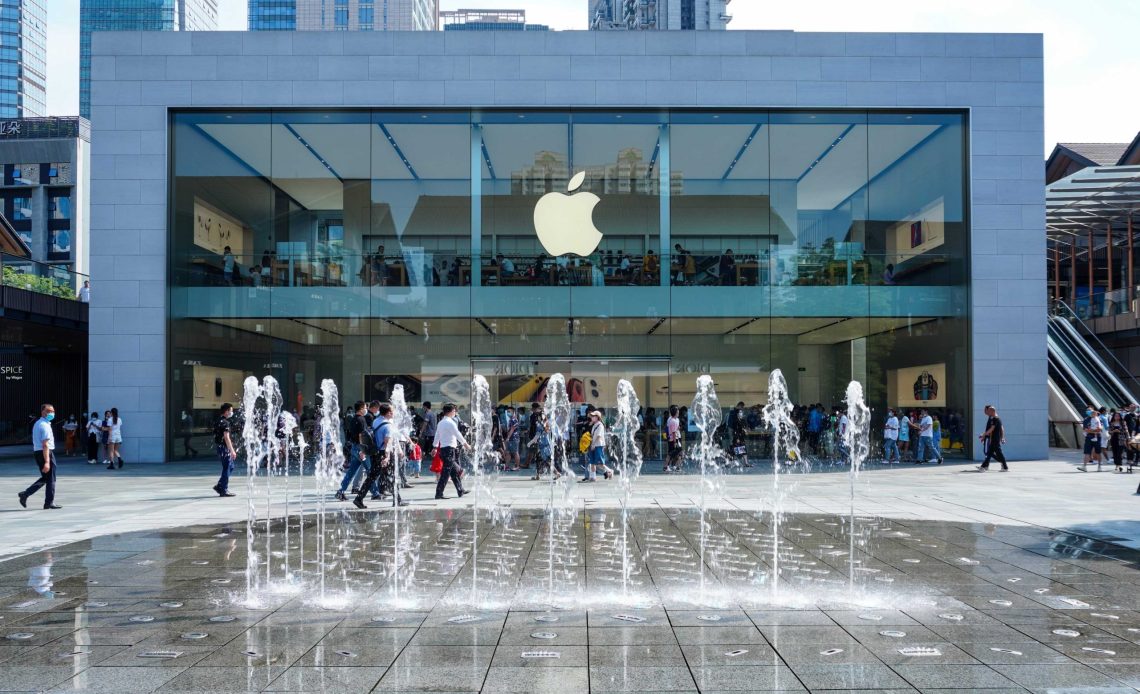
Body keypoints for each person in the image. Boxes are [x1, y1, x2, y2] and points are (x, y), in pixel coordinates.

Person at [18, 404, 61, 510]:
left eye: (53, 411)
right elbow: (45, 444)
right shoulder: (44, 425)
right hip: (45, 452)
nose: (51, 413)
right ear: (42, 412)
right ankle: (49, 502)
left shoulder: (38, 423)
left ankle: (25, 494)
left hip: (38, 452)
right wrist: (47, 461)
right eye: (49, 411)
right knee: (51, 479)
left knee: (46, 478)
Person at [336, 402, 379, 502]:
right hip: (360, 449)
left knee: (351, 472)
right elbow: (361, 435)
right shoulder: (361, 419)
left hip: (354, 448)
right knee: (370, 471)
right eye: (365, 407)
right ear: (360, 409)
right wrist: (363, 450)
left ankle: (340, 491)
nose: (366, 409)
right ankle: (375, 493)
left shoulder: (353, 419)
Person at [433, 404, 469, 499]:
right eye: (454, 411)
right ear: (449, 412)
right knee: (446, 473)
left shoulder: (441, 423)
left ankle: (460, 490)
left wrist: (435, 447)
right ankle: (439, 493)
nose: (455, 413)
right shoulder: (450, 422)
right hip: (449, 450)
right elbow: (458, 434)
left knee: (453, 473)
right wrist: (466, 444)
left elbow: (437, 435)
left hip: (444, 450)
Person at [212, 403, 237, 497]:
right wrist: (232, 450)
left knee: (230, 466)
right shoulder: (225, 423)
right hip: (224, 448)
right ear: (226, 411)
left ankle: (220, 485)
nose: (232, 412)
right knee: (227, 467)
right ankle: (223, 489)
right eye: (231, 411)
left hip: (219, 447)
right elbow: (226, 438)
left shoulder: (218, 420)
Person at [976, 404, 1008, 471]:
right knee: (991, 453)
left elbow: (992, 429)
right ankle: (985, 467)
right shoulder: (995, 418)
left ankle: (983, 467)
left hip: (995, 439)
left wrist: (984, 434)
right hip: (993, 439)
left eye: (989, 411)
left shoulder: (995, 419)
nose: (988, 412)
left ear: (992, 411)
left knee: (993, 453)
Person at [584, 409, 613, 482]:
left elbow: (598, 436)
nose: (592, 417)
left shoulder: (600, 425)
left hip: (598, 445)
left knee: (599, 463)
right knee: (592, 462)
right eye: (592, 416)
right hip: (593, 445)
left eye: (593, 416)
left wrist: (593, 444)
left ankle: (609, 471)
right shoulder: (594, 425)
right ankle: (593, 477)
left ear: (597, 417)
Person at [416, 401, 437, 479]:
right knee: (432, 449)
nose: (422, 408)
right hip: (433, 434)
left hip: (428, 434)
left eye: (423, 407)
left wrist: (421, 432)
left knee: (424, 449)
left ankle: (419, 465)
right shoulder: (433, 413)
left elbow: (425, 424)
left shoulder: (427, 414)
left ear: (425, 407)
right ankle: (434, 464)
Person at [729, 401, 752, 468]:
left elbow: (745, 427)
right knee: (736, 448)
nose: (741, 413)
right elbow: (735, 429)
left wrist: (746, 430)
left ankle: (744, 462)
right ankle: (733, 461)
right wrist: (737, 437)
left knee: (739, 448)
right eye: (740, 413)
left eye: (742, 413)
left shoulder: (742, 420)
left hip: (740, 435)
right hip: (736, 435)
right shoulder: (734, 416)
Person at [665, 405, 682, 473]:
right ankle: (676, 467)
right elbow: (674, 432)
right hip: (674, 439)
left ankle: (667, 467)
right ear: (675, 413)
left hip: (672, 439)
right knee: (679, 453)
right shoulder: (673, 421)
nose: (678, 413)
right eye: (677, 412)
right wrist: (675, 442)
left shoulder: (673, 420)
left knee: (671, 454)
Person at [504, 407, 521, 471]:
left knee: (515, 452)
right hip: (510, 438)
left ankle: (517, 466)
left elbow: (512, 429)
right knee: (508, 452)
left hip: (514, 438)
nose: (508, 413)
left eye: (509, 411)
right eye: (507, 411)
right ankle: (506, 466)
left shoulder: (514, 420)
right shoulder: (511, 420)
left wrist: (508, 437)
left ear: (513, 412)